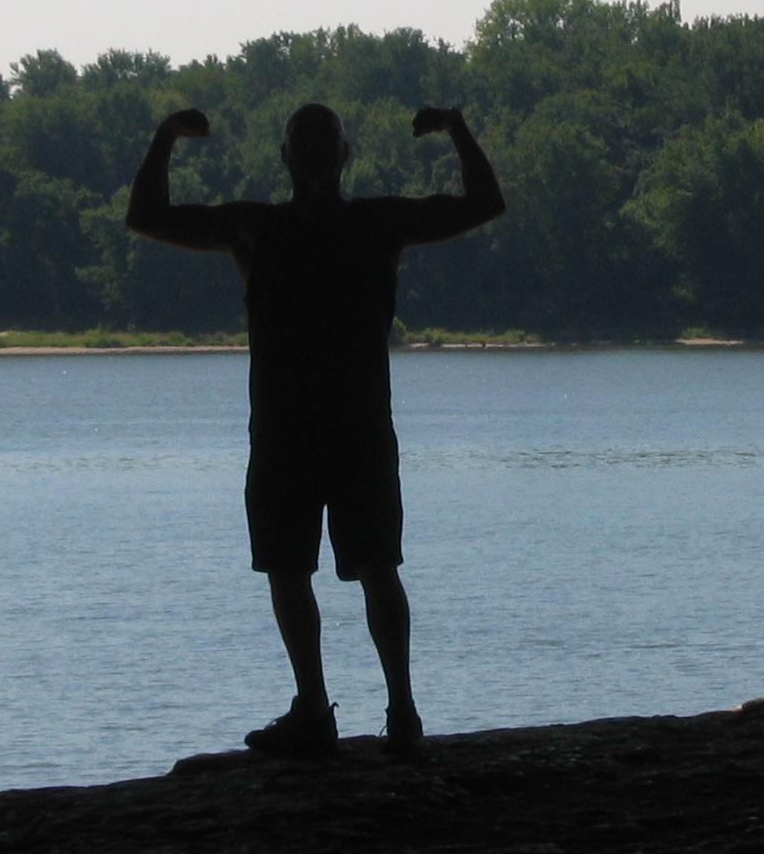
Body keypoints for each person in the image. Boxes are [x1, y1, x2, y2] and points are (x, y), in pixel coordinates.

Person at [125, 101, 505, 756]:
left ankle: (322, 707)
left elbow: (148, 215)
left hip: (289, 428)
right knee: (365, 566)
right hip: (351, 426)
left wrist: (165, 138)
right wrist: (457, 129)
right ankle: (398, 712)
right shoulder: (373, 223)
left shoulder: (259, 228)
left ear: (285, 158)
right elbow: (483, 201)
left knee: (296, 569)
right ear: (345, 155)